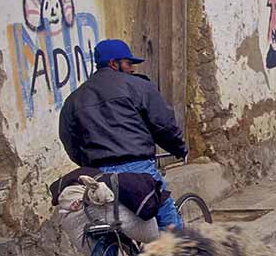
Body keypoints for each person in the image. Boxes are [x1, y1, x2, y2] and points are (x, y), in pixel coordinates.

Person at [59, 38, 186, 230]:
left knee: (105, 229)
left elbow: (69, 141)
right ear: (113, 63)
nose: (133, 68)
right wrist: (178, 148)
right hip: (138, 169)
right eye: (129, 63)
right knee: (168, 221)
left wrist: (90, 163)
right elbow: (163, 124)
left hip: (98, 175)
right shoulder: (138, 86)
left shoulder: (73, 99)